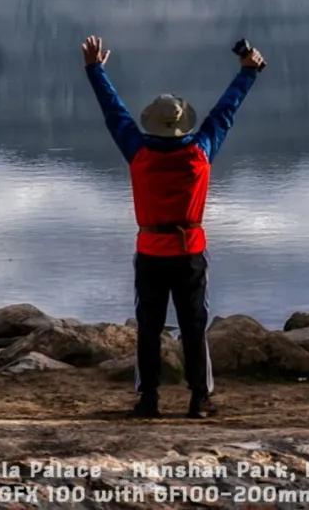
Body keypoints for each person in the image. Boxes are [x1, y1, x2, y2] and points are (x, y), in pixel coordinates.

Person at [81, 33, 266, 419]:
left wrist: (95, 69)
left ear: (153, 124)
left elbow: (112, 111)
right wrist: (248, 72)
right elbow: (225, 111)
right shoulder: (200, 153)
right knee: (193, 326)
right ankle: (199, 400)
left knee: (149, 328)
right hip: (190, 252)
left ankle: (149, 399)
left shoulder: (138, 153)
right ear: (183, 126)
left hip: (150, 253)